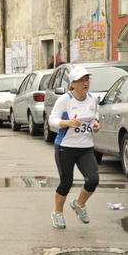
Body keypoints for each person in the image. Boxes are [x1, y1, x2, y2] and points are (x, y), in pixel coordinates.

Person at [49, 66, 100, 229]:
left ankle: (79, 204)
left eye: (87, 79)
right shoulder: (65, 99)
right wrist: (67, 122)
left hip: (86, 147)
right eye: (81, 80)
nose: (86, 83)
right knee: (66, 182)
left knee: (93, 180)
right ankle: (58, 212)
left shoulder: (93, 99)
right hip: (66, 147)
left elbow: (95, 117)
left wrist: (96, 124)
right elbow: (52, 120)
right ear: (73, 83)